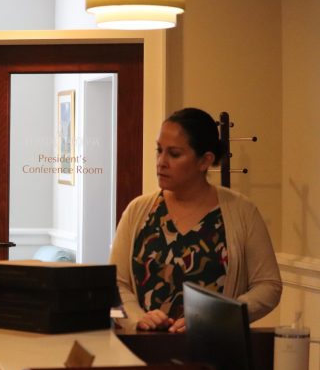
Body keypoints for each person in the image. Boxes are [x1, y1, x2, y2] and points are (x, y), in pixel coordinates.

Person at [110, 107, 281, 333]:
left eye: (174, 154)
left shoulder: (241, 211)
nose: (161, 162)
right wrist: (138, 319)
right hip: (144, 353)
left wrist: (218, 316)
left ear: (205, 161)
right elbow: (116, 284)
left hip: (215, 355)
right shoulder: (138, 211)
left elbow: (268, 286)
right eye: (159, 151)